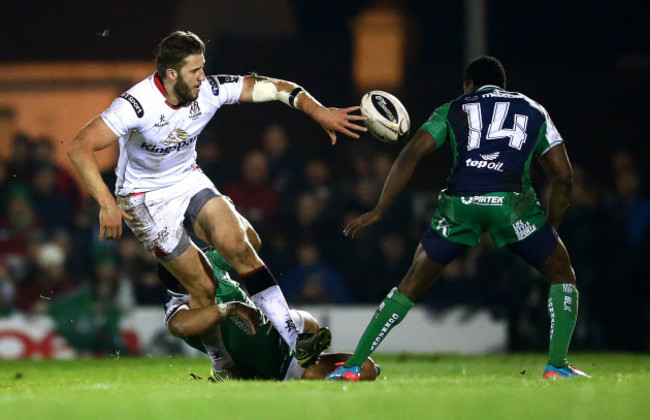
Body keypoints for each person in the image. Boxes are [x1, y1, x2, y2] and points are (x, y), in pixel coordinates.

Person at [67, 31, 366, 365]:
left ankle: (296, 341)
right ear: (171, 74)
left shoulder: (209, 90)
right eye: (194, 70)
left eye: (203, 68)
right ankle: (222, 364)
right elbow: (80, 146)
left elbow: (276, 87)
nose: (202, 77)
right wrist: (107, 204)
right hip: (144, 199)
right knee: (203, 289)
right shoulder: (136, 104)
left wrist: (319, 111)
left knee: (242, 245)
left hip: (186, 179)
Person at [327, 56, 590, 381]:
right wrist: (550, 230)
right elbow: (563, 176)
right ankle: (557, 366)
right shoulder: (534, 110)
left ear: (469, 85)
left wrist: (380, 209)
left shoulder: (453, 108)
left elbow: (411, 153)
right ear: (502, 84)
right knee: (563, 274)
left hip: (459, 204)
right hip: (512, 204)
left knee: (410, 283)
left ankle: (354, 365)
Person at [160, 246, 379, 381]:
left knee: (309, 324)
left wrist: (223, 224)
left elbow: (247, 244)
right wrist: (230, 309)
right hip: (276, 365)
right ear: (182, 283)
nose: (202, 267)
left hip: (283, 329)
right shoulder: (178, 307)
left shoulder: (209, 262)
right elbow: (179, 326)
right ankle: (313, 369)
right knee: (367, 369)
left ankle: (308, 354)